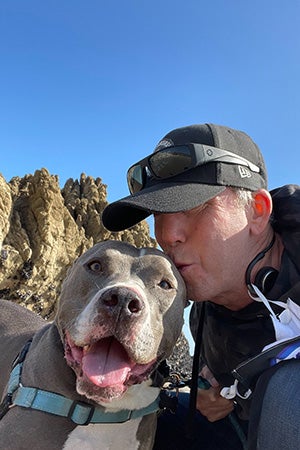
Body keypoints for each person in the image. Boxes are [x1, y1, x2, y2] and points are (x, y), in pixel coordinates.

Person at [102, 123, 300, 449]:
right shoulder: (203, 314)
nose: (166, 236)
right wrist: (233, 398)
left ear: (257, 211)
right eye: (159, 214)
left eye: (194, 207)